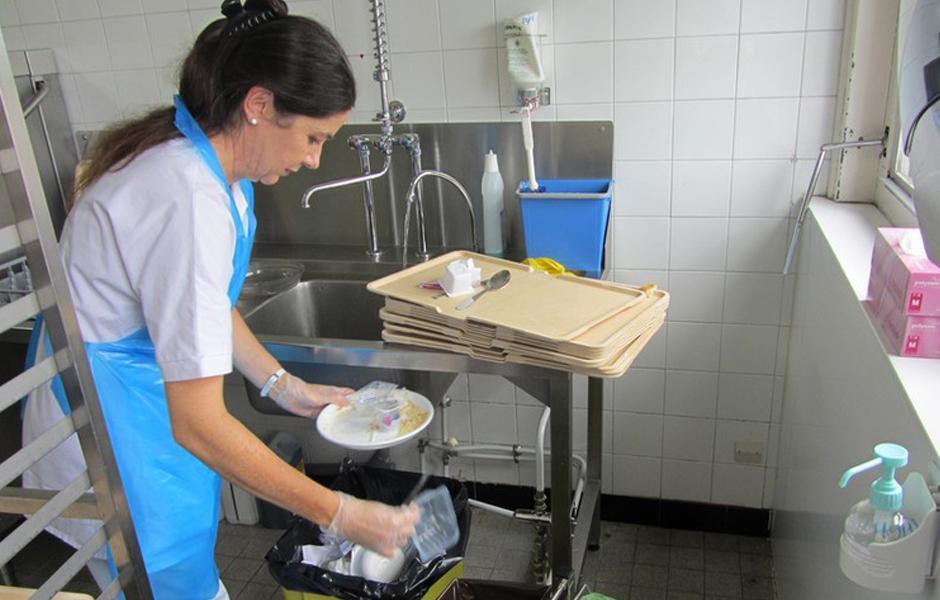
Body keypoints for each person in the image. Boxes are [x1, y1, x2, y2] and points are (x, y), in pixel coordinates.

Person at [21, 1, 419, 598]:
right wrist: (340, 512)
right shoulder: (185, 196)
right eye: (313, 137)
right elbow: (200, 424)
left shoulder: (215, 174)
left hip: (148, 415)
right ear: (258, 106)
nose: (314, 159)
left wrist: (285, 387)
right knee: (161, 580)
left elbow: (204, 305)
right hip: (114, 426)